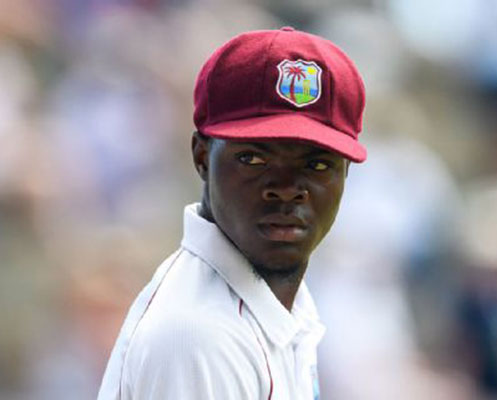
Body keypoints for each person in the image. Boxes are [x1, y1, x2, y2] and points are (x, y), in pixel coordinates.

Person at [96, 27, 366, 399]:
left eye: (317, 164)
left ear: (345, 174)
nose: (286, 188)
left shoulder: (274, 304)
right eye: (253, 158)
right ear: (202, 157)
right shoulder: (200, 337)